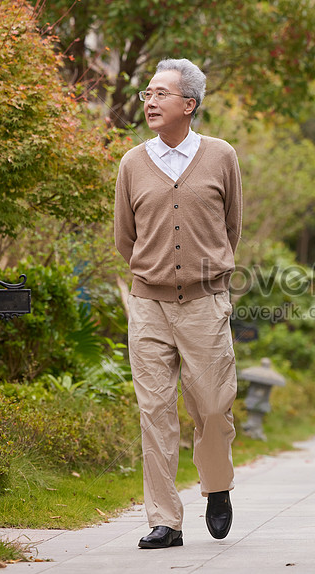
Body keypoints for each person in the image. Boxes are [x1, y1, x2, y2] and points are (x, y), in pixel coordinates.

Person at [114, 58, 242, 549]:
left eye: (161, 93)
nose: (149, 101)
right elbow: (125, 238)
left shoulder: (221, 156)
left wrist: (208, 269)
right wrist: (156, 274)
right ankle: (165, 519)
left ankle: (216, 484)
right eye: (147, 93)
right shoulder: (131, 163)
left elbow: (232, 226)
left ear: (189, 104)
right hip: (148, 303)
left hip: (206, 303)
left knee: (212, 406)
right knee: (155, 410)